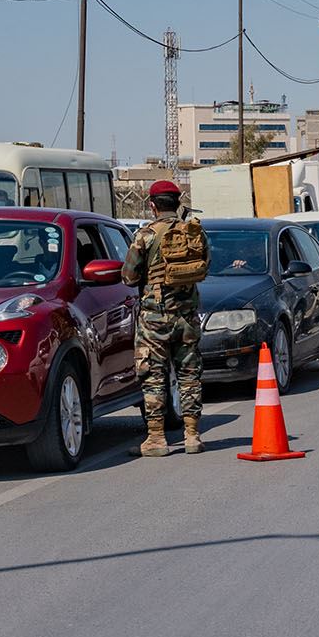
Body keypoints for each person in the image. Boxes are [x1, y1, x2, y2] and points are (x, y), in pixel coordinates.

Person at [122, 180, 210, 456]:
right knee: (189, 375)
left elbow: (129, 277)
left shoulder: (145, 235)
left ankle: (157, 439)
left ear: (152, 206)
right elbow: (205, 265)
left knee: (154, 375)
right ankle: (192, 435)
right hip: (187, 317)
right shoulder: (194, 232)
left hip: (154, 319)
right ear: (177, 202)